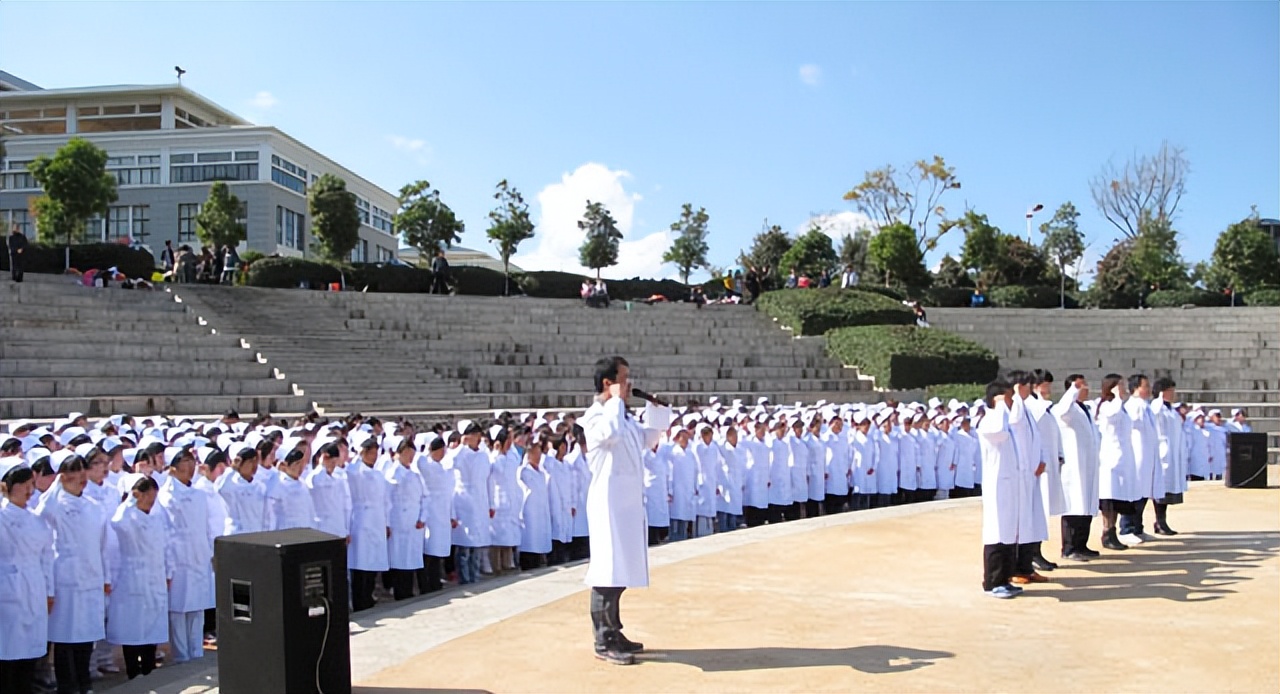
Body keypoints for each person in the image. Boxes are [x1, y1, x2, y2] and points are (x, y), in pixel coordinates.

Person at [580, 356, 671, 665]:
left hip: (626, 503)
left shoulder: (622, 416)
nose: (630, 383)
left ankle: (615, 630)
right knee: (607, 570)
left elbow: (646, 441)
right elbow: (609, 435)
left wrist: (657, 416)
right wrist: (617, 403)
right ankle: (602, 639)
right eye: (624, 377)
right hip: (608, 503)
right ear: (609, 382)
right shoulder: (595, 416)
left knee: (620, 570)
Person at [36, 453, 110, 694]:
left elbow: (103, 544)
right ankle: (67, 685)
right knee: (65, 636)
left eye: (82, 470)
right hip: (65, 579)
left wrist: (105, 577)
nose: (80, 476)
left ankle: (84, 681)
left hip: (90, 575)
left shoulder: (93, 507)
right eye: (73, 471)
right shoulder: (53, 506)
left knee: (86, 634)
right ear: (62, 475)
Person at [106, 474, 169, 681]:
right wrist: (129, 502)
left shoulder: (157, 518)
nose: (151, 503)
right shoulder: (127, 517)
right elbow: (117, 522)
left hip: (154, 577)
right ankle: (133, 672)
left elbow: (166, 546)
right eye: (147, 498)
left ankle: (149, 669)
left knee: (151, 627)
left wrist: (168, 572)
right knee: (132, 628)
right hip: (132, 578)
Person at [0, 460, 55, 694]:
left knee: (30, 650)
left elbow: (46, 557)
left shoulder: (36, 519)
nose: (28, 489)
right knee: (9, 650)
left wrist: (49, 591)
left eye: (30, 483)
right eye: (22, 484)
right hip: (8, 586)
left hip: (34, 586)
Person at [157, 446, 215, 664]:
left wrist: (209, 552)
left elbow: (207, 526)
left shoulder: (199, 494)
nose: (190, 467)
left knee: (197, 607)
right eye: (184, 463)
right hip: (178, 558)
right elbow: (166, 532)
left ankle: (196, 651)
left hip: (199, 555)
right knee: (179, 608)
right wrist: (169, 564)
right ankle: (182, 655)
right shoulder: (166, 496)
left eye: (192, 462)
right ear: (172, 468)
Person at [976, 380, 1024, 599]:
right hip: (997, 485)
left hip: (1009, 485)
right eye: (1008, 398)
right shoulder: (989, 421)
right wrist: (1000, 406)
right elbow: (998, 431)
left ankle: (1005, 577)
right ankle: (993, 581)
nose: (1012, 402)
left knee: (1007, 533)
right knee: (996, 532)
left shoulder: (1004, 422)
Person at [1053, 375, 1101, 561]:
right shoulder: (1068, 409)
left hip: (1088, 464)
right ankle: (1069, 547)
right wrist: (1072, 390)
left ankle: (1082, 544)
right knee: (1073, 507)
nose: (1086, 388)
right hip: (1074, 466)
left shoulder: (1085, 408)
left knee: (1085, 507)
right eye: (1081, 386)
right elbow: (1062, 410)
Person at [347, 435, 392, 611]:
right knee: (361, 562)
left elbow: (385, 500)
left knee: (374, 560)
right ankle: (360, 599)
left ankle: (369, 594)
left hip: (377, 519)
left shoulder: (378, 474)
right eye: (370, 453)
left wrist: (386, 522)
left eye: (375, 453)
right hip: (362, 519)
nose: (373, 456)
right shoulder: (354, 471)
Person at [1096, 374, 1139, 551]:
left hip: (1122, 457)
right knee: (1109, 499)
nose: (1123, 388)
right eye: (1119, 385)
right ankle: (1107, 532)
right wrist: (1117, 397)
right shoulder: (1107, 406)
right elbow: (1112, 416)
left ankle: (1112, 530)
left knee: (1118, 499)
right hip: (1110, 458)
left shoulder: (1121, 407)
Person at [1119, 374, 1162, 545]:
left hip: (1147, 457)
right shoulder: (1132, 406)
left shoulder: (1145, 406)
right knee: (1133, 494)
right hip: (1137, 456)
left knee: (1143, 494)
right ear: (1136, 388)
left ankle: (1138, 528)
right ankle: (1126, 528)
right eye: (1145, 386)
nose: (1149, 389)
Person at [386, 438, 428, 601]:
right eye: (407, 453)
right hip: (398, 522)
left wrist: (422, 517)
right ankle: (400, 592)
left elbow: (425, 497)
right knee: (399, 558)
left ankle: (409, 590)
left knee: (411, 558)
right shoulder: (392, 473)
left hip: (414, 522)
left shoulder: (415, 474)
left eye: (412, 454)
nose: (409, 457)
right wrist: (387, 523)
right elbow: (387, 500)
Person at [415, 437, 456, 593]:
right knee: (429, 550)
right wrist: (427, 446)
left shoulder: (443, 467)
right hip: (430, 512)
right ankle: (426, 583)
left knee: (438, 550)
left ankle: (435, 579)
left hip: (443, 512)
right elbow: (419, 460)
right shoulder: (426, 464)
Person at [1150, 377, 1185, 535]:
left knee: (1168, 491)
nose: (1174, 394)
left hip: (1172, 453)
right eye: (1171, 390)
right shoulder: (1157, 407)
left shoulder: (1171, 409)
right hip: (1162, 452)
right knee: (1160, 490)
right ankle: (1159, 521)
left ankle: (1161, 521)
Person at [517, 436, 553, 569]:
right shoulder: (523, 471)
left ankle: (538, 561)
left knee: (539, 540)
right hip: (529, 512)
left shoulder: (542, 472)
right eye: (535, 453)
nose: (538, 456)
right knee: (530, 540)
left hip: (541, 510)